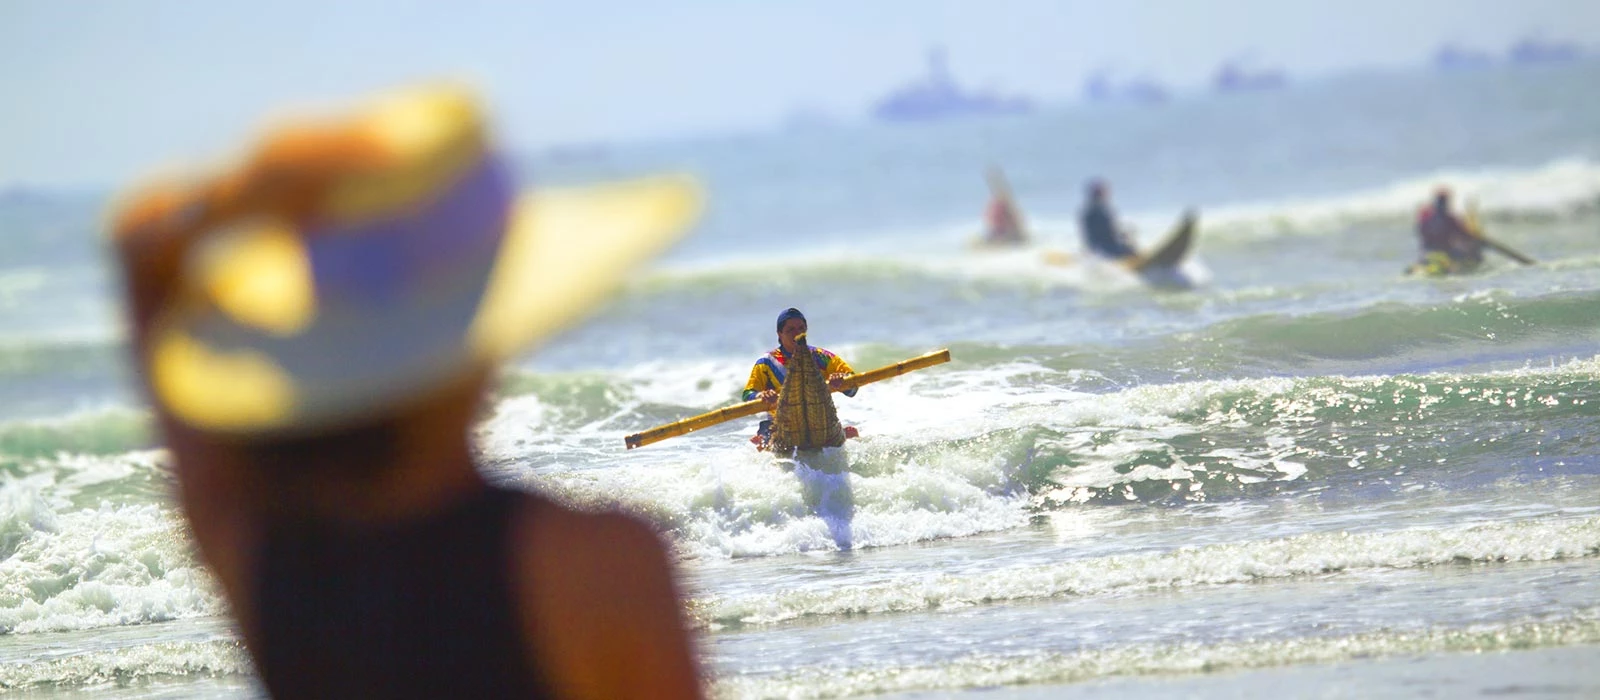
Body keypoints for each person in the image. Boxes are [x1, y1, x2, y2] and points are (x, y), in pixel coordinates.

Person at [108, 85, 704, 698]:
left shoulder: (256, 556)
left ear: (323, 340)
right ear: (488, 328)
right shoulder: (593, 565)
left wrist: (247, 199)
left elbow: (141, 249)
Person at [742, 308, 860, 449]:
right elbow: (747, 395)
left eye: (801, 328)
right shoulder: (766, 362)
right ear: (779, 334)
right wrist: (762, 395)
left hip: (819, 419)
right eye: (790, 329)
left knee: (852, 435)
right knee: (762, 446)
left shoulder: (821, 357)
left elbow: (853, 387)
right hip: (779, 422)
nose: (797, 333)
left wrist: (842, 381)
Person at [1415, 186, 1485, 273]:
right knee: (1474, 251)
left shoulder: (1426, 218)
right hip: (1446, 253)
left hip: (1426, 252)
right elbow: (1464, 234)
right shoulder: (1449, 219)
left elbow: (1421, 233)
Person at [1080, 178, 1139, 260]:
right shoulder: (1099, 212)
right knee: (1132, 251)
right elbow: (1108, 232)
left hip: (1096, 249)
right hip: (1106, 249)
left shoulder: (1088, 211)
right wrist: (1124, 234)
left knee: (1128, 246)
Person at [981, 167, 1028, 245]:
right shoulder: (1000, 199)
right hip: (1003, 232)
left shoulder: (1004, 200)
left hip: (1008, 233)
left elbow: (1016, 217)